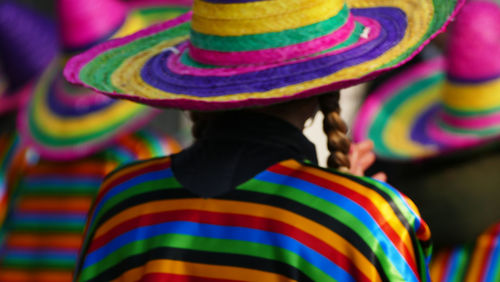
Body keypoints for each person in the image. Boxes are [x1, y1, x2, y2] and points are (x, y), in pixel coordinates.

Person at [64, 0, 463, 281]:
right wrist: (348, 207)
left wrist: (341, 200)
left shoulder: (123, 199)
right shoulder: (367, 222)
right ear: (328, 75)